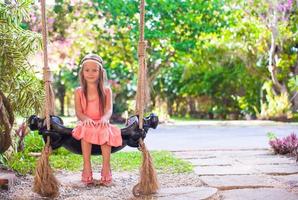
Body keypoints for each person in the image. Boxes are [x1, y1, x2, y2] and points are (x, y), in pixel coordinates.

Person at [72, 53, 122, 186]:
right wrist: (85, 118)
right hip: (86, 123)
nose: (90, 73)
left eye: (94, 70)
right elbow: (79, 112)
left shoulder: (106, 91)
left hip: (101, 122)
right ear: (82, 72)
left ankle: (106, 166)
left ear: (101, 72)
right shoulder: (79, 91)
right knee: (87, 129)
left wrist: (105, 118)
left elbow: (109, 109)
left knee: (104, 130)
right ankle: (87, 166)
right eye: (87, 70)